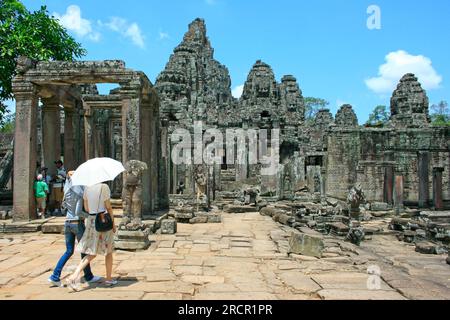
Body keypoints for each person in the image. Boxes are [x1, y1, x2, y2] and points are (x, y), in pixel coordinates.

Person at [48, 171, 102, 287]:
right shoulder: (78, 193)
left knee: (68, 251)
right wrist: (91, 216)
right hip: (77, 224)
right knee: (85, 250)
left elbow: (64, 208)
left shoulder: (67, 190)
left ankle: (55, 276)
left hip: (67, 223)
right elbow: (78, 212)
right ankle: (88, 276)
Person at [66, 183, 117, 291]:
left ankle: (74, 275)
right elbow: (108, 207)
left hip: (91, 221)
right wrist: (113, 223)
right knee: (108, 251)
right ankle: (108, 279)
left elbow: (87, 208)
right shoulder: (104, 187)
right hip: (102, 220)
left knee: (91, 252)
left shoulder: (86, 189)